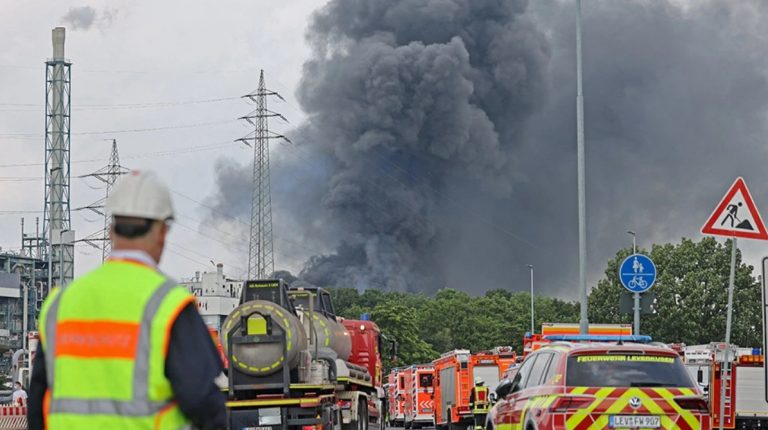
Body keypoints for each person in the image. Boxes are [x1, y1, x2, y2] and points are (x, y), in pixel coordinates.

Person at [28, 171, 227, 429]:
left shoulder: (61, 305)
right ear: (162, 232)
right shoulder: (168, 306)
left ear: (111, 230)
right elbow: (204, 403)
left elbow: (38, 405)